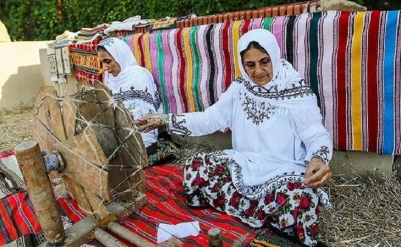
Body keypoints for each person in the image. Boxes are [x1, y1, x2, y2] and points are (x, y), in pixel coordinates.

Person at [137, 29, 332, 247]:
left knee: (303, 198)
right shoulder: (240, 88)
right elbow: (209, 119)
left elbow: (316, 134)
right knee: (197, 167)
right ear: (242, 64)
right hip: (244, 163)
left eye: (264, 62)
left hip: (283, 172)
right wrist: (167, 120)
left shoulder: (296, 92)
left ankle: (267, 220)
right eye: (250, 65)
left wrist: (318, 158)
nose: (258, 71)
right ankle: (262, 217)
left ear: (274, 57)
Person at [97, 37, 179, 166]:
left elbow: (147, 121)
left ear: (120, 56)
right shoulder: (112, 81)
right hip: (122, 138)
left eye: (108, 61)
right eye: (102, 62)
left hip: (144, 139)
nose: (105, 68)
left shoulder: (139, 76)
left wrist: (135, 146)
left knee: (127, 163)